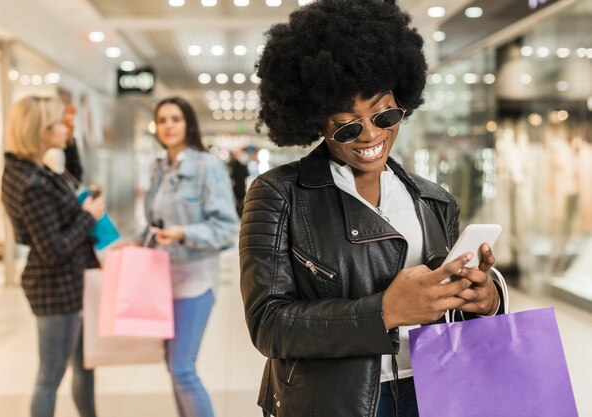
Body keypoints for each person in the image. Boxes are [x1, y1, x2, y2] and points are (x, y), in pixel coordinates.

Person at [239, 1, 507, 417]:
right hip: (334, 402)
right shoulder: (279, 195)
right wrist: (385, 311)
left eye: (385, 114)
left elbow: (449, 303)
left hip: (434, 389)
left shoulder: (433, 199)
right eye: (347, 125)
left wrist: (483, 298)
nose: (370, 135)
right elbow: (269, 324)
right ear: (317, 122)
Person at [135, 96, 239, 417]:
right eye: (162, 120)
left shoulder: (207, 166)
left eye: (175, 119)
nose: (168, 126)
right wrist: (137, 243)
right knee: (173, 366)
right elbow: (156, 223)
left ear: (188, 124)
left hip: (195, 280)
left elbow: (226, 227)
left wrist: (185, 233)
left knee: (182, 368)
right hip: (160, 279)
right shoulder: (159, 168)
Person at [2, 96, 104, 417]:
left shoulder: (33, 170)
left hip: (72, 284)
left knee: (85, 366)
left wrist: (70, 142)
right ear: (41, 130)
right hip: (55, 290)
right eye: (60, 124)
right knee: (50, 378)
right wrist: (88, 216)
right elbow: (54, 249)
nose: (66, 128)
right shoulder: (31, 182)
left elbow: (71, 178)